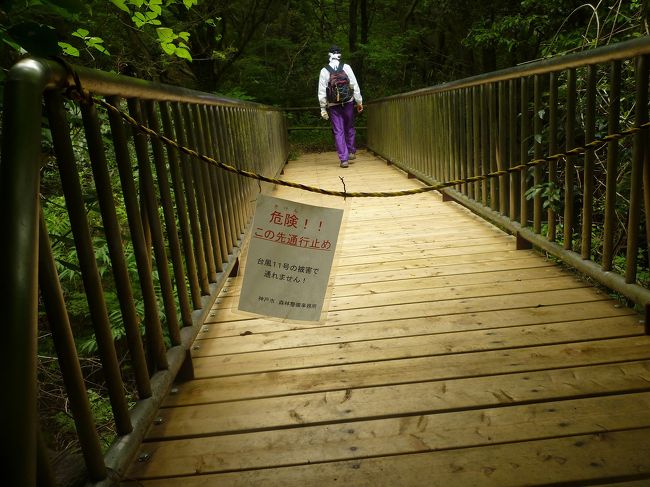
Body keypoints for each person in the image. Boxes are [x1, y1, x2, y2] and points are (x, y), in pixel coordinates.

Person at [318, 45, 363, 168]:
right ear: (339, 55)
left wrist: (323, 108)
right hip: (348, 102)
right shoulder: (346, 67)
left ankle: (344, 159)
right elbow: (354, 85)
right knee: (350, 126)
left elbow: (322, 91)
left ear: (329, 55)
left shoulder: (324, 70)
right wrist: (359, 102)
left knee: (338, 131)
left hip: (333, 105)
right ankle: (351, 151)